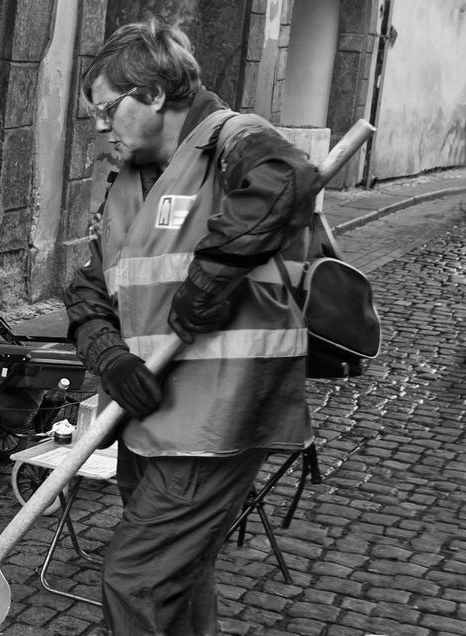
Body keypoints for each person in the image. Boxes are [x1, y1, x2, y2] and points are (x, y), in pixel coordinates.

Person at [64, 17, 321, 635]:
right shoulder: (124, 184)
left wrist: (207, 281)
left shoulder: (231, 140)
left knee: (137, 579)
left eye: (106, 110)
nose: (99, 129)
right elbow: (86, 292)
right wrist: (111, 359)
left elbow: (285, 181)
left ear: (153, 94)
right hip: (147, 418)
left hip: (215, 420)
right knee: (178, 579)